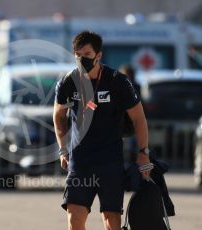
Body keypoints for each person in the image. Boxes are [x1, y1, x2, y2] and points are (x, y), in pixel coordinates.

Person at [53, 31, 152, 230]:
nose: (82, 59)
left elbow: (139, 119)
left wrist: (143, 154)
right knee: (74, 219)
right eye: (77, 54)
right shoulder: (67, 82)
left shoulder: (117, 81)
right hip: (80, 162)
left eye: (87, 54)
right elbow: (59, 115)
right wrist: (62, 148)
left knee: (111, 220)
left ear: (98, 55)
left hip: (109, 162)